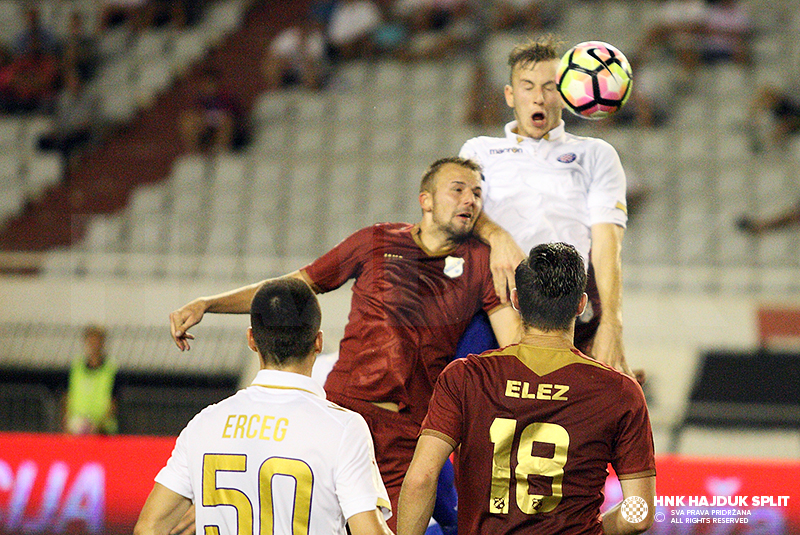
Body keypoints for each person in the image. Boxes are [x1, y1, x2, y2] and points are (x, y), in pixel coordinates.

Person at [169, 156, 521, 530]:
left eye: (478, 193)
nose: (470, 200)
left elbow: (513, 342)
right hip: (341, 417)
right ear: (426, 200)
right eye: (459, 189)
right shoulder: (376, 241)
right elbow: (292, 287)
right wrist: (209, 304)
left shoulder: (482, 263)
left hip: (408, 435)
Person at [397, 242, 656, 535]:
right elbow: (640, 514)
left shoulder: (466, 376)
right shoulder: (620, 391)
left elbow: (420, 479)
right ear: (581, 305)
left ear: (517, 300)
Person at [136, 279, 393, 535]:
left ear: (251, 339)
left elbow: (149, 527)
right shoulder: (344, 429)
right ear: (318, 342)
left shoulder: (204, 424)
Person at [458, 37, 634, 378]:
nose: (538, 97)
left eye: (550, 87)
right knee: (474, 415)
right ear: (510, 95)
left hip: (564, 314)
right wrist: (497, 235)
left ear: (568, 94)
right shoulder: (479, 150)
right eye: (527, 87)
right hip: (492, 308)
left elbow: (608, 243)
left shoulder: (596, 154)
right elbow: (463, 211)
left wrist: (612, 322)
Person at [62, 325, 119, 435]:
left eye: (97, 340)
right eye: (91, 340)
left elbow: (114, 401)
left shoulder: (111, 369)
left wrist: (99, 425)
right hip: (76, 429)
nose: (94, 344)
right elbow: (67, 397)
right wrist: (66, 423)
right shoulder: (76, 367)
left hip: (102, 431)